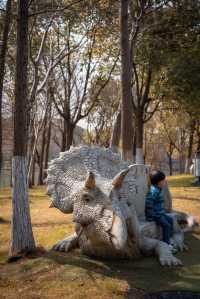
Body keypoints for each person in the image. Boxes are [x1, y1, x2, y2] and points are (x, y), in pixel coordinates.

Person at [145, 170, 174, 249]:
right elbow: (148, 202)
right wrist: (151, 216)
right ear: (158, 182)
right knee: (166, 226)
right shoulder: (154, 191)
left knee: (171, 220)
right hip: (156, 215)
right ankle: (166, 245)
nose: (164, 182)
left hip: (161, 213)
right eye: (163, 181)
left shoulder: (158, 189)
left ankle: (169, 238)